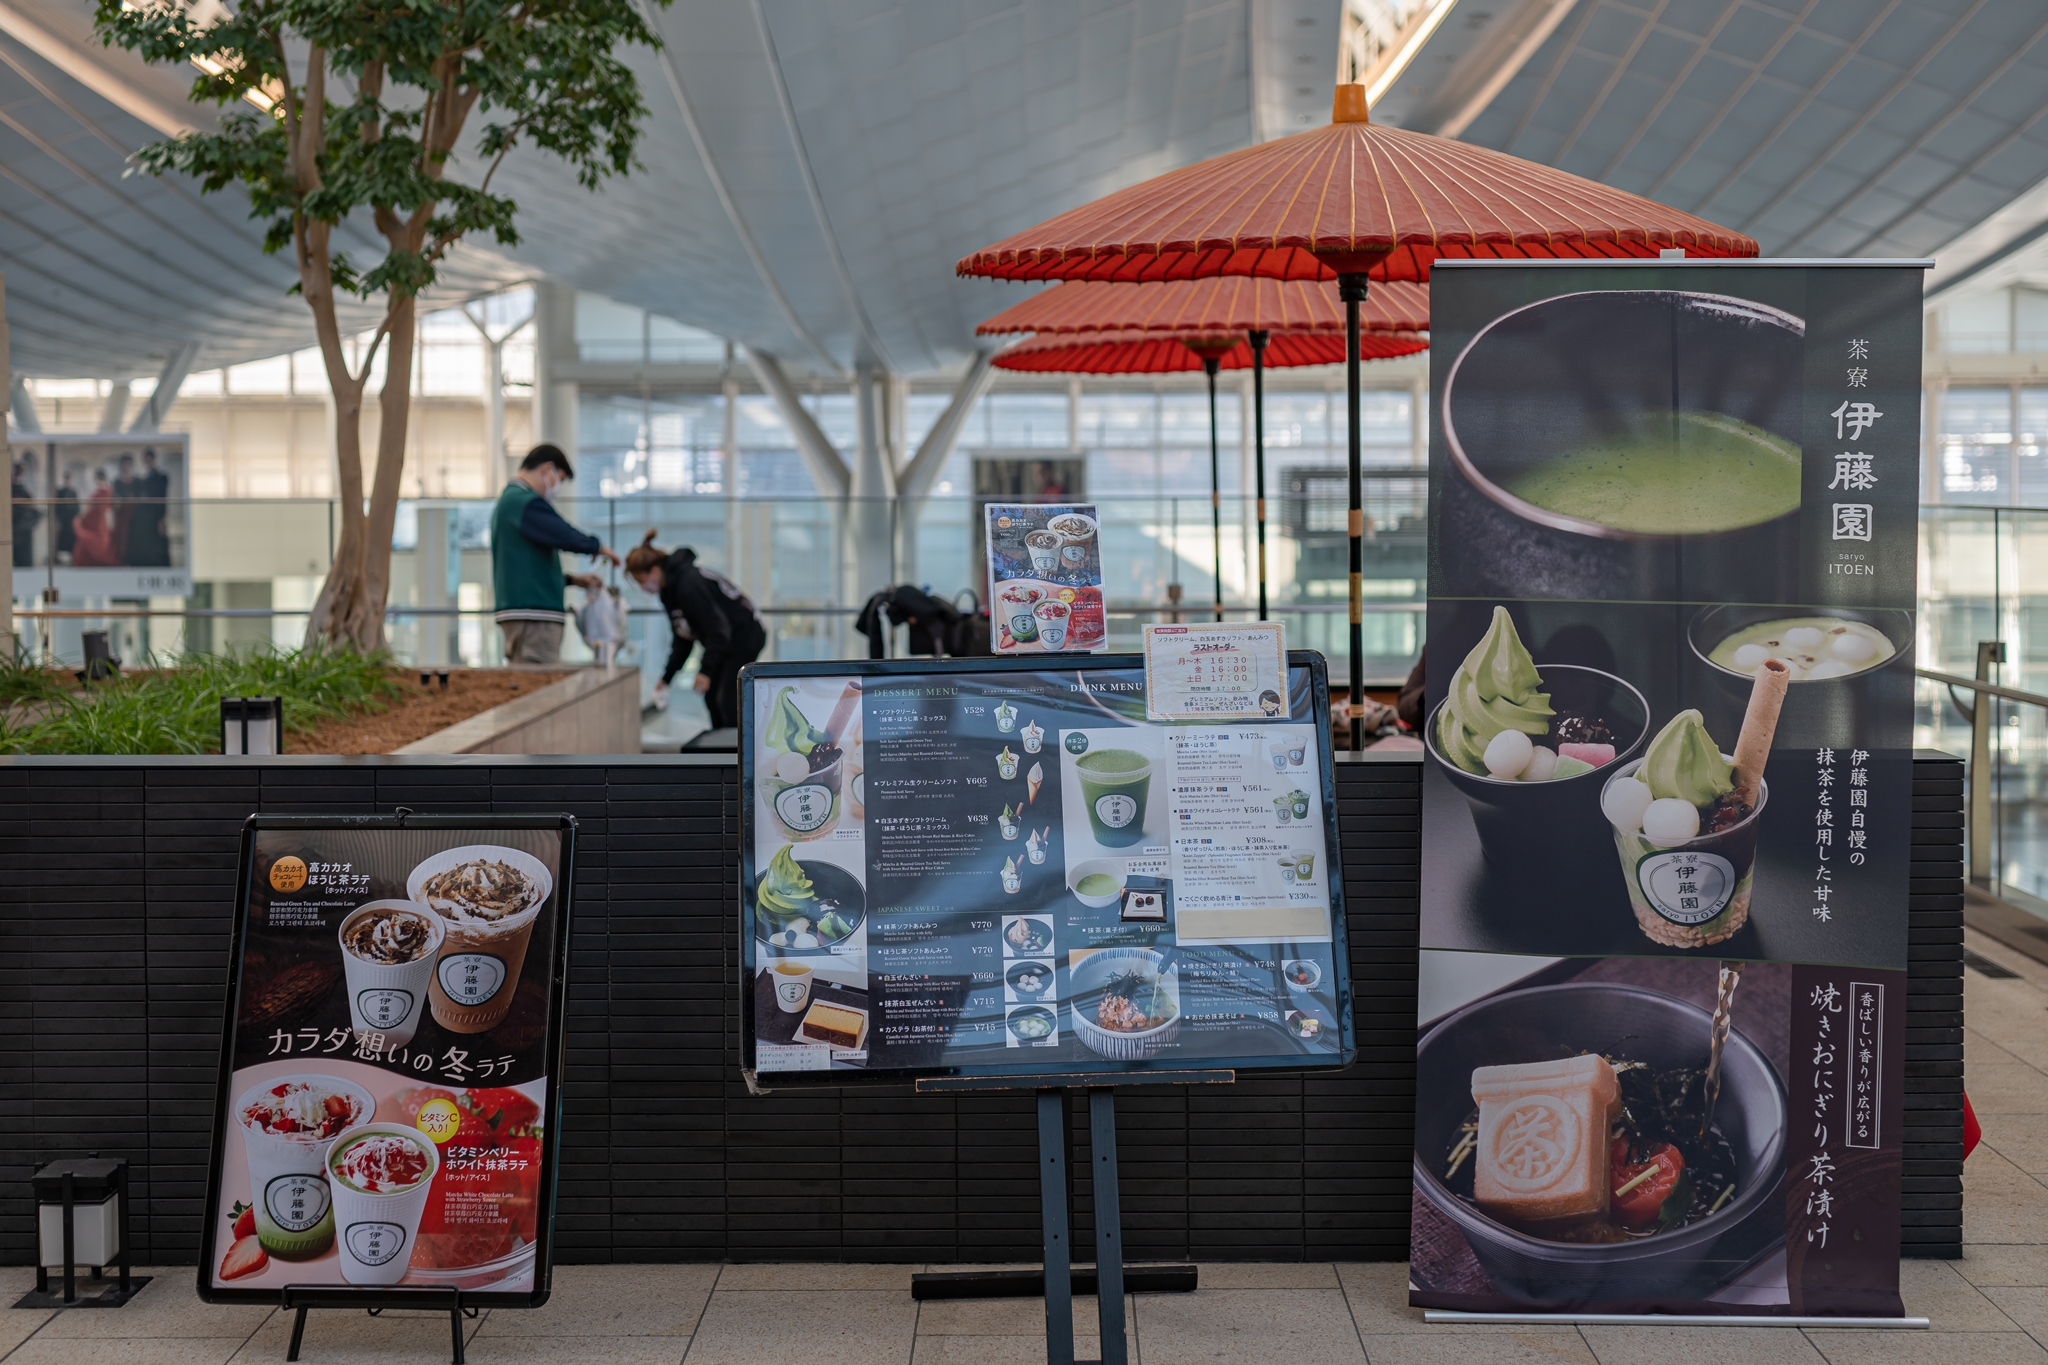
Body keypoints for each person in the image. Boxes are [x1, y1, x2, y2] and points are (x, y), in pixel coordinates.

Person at [489, 445, 620, 663]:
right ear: (547, 469)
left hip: (525, 614)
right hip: (533, 618)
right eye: (558, 479)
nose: (555, 489)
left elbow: (525, 567)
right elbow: (564, 534)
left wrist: (571, 580)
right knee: (536, 680)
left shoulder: (510, 502)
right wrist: (598, 547)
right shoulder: (523, 502)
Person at [625, 531, 766, 731]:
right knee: (711, 696)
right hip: (726, 639)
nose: (642, 588)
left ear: (654, 572)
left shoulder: (688, 585)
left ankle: (736, 748)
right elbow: (683, 638)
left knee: (728, 700)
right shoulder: (669, 592)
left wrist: (705, 670)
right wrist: (667, 678)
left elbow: (718, 629)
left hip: (745, 636)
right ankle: (721, 745)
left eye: (641, 581)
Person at [71, 469, 119, 566]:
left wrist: (81, 516)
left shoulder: (102, 491)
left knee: (96, 539)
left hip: (98, 521)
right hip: (98, 521)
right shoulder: (107, 490)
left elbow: (94, 507)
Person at [9, 457, 36, 569]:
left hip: (23, 526)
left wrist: (23, 502)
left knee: (24, 557)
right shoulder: (11, 486)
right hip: (14, 523)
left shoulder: (21, 486)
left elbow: (30, 501)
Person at [53, 466, 78, 564]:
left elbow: (76, 506)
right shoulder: (60, 492)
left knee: (71, 539)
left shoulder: (73, 492)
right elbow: (57, 506)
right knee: (61, 539)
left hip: (71, 520)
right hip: (63, 520)